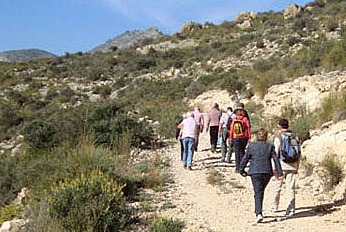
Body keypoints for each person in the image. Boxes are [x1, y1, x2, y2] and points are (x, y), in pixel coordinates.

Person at [239, 128, 283, 223]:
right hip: (266, 172)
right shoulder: (270, 146)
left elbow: (245, 158)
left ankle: (258, 213)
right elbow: (275, 159)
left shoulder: (251, 146)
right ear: (266, 136)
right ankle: (258, 211)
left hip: (254, 172)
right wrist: (279, 172)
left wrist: (241, 169)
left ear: (257, 136)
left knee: (258, 192)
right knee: (260, 191)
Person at [271, 119, 301, 217]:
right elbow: (299, 152)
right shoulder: (294, 136)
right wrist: (297, 165)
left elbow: (275, 153)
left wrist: (274, 167)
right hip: (293, 164)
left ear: (280, 126)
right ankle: (291, 209)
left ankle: (275, 206)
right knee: (291, 188)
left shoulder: (279, 137)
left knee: (277, 186)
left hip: (281, 165)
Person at [229, 105, 251, 173]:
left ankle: (237, 168)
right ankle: (242, 167)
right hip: (244, 137)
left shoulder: (235, 119)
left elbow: (232, 129)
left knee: (237, 153)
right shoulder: (245, 119)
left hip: (236, 137)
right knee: (242, 152)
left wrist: (231, 138)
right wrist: (249, 137)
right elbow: (248, 128)